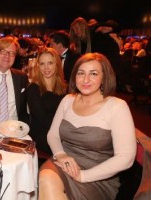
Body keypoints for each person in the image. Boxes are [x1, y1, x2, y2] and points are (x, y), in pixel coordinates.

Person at [39, 53, 136, 200]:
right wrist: (61, 154)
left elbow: (125, 158)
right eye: (81, 73)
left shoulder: (117, 107)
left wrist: (84, 176)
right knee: (46, 177)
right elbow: (53, 135)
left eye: (94, 74)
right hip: (64, 163)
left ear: (104, 77)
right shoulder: (67, 100)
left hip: (99, 175)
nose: (85, 79)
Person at [27, 48, 67, 160]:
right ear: (38, 66)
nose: (46, 68)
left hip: (62, 131)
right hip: (43, 133)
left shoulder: (65, 87)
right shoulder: (33, 88)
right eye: (42, 64)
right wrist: (65, 132)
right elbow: (41, 119)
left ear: (57, 64)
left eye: (50, 63)